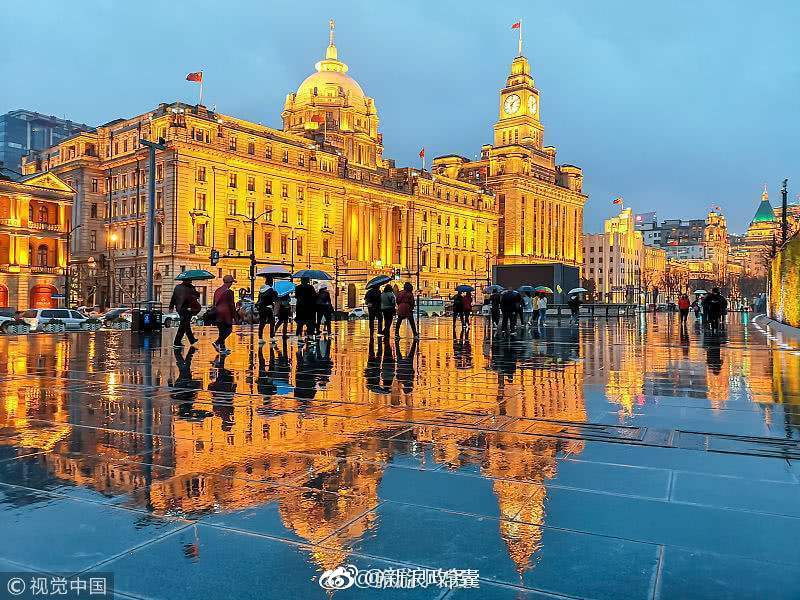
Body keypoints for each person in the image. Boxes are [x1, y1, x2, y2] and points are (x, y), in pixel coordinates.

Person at [169, 279, 201, 348]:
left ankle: (189, 340)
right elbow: (195, 297)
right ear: (186, 280)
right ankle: (178, 342)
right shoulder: (189, 288)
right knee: (184, 325)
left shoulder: (178, 287)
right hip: (186, 308)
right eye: (190, 280)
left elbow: (173, 297)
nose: (191, 281)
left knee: (185, 324)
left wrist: (171, 306)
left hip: (181, 308)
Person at [212, 274, 236, 354]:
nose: (232, 284)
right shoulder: (229, 292)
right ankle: (217, 342)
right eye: (231, 282)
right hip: (226, 314)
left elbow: (214, 303)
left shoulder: (217, 290)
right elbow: (231, 305)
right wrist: (235, 317)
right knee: (229, 330)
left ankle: (223, 349)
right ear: (229, 282)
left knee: (221, 331)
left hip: (217, 313)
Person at [256, 276, 278, 344]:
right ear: (271, 283)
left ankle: (260, 338)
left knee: (262, 323)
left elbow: (259, 299)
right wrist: (275, 293)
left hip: (261, 308)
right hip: (268, 307)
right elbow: (274, 299)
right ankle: (271, 337)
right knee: (272, 322)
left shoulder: (261, 290)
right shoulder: (271, 290)